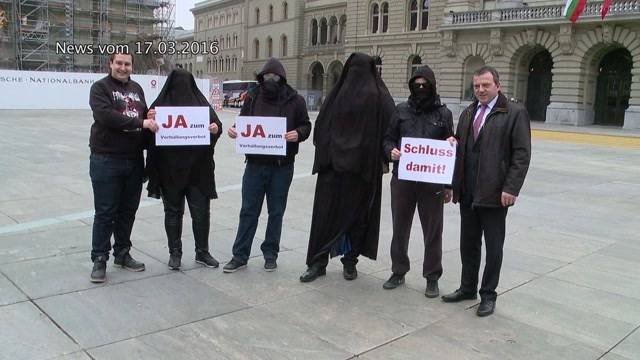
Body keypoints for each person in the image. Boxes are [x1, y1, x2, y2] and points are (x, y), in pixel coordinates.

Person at [441, 66, 531, 317]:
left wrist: (511, 187)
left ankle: (488, 295)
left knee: (493, 248)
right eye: (477, 86)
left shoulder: (514, 112)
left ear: (497, 86)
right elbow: (461, 145)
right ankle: (467, 287)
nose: (480, 90)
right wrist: (453, 144)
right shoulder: (469, 112)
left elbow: (522, 155)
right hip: (468, 192)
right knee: (468, 245)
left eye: (485, 85)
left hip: (494, 194)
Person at [300, 53, 395, 283]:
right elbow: (322, 126)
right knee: (326, 217)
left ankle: (350, 261)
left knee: (357, 219)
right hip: (336, 169)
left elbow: (392, 130)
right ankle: (319, 261)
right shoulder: (339, 95)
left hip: (361, 170)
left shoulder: (379, 96)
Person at [223, 58, 311, 273]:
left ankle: (270, 253)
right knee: (248, 211)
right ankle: (240, 255)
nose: (271, 80)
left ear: (282, 78)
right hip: (254, 164)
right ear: (261, 77)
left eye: (275, 76)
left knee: (276, 212)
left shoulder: (295, 100)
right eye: (267, 76)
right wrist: (234, 130)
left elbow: (306, 125)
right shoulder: (252, 96)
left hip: (281, 166)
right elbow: (242, 121)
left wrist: (297, 134)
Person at [381, 65, 456, 297]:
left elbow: (449, 149)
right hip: (403, 180)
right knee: (400, 229)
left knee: (433, 232)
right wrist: (391, 151)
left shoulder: (443, 114)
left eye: (425, 84)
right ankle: (398, 270)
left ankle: (432, 276)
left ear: (432, 86)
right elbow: (387, 139)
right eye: (417, 84)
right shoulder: (401, 110)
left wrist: (448, 185)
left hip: (432, 184)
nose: (420, 88)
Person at [88, 52, 159, 283]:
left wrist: (149, 117)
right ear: (110, 64)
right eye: (118, 63)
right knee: (106, 212)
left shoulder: (137, 89)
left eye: (127, 64)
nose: (123, 67)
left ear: (132, 66)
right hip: (106, 159)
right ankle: (100, 258)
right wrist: (141, 122)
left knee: (128, 211)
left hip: (133, 160)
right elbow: (106, 116)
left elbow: (145, 119)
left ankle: (122, 252)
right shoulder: (100, 88)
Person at [145, 69, 223, 270]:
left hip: (198, 170)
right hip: (169, 170)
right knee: (172, 212)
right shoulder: (158, 107)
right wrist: (150, 121)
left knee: (201, 212)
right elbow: (146, 137)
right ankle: (175, 253)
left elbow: (217, 126)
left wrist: (215, 129)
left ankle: (202, 252)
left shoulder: (201, 105)